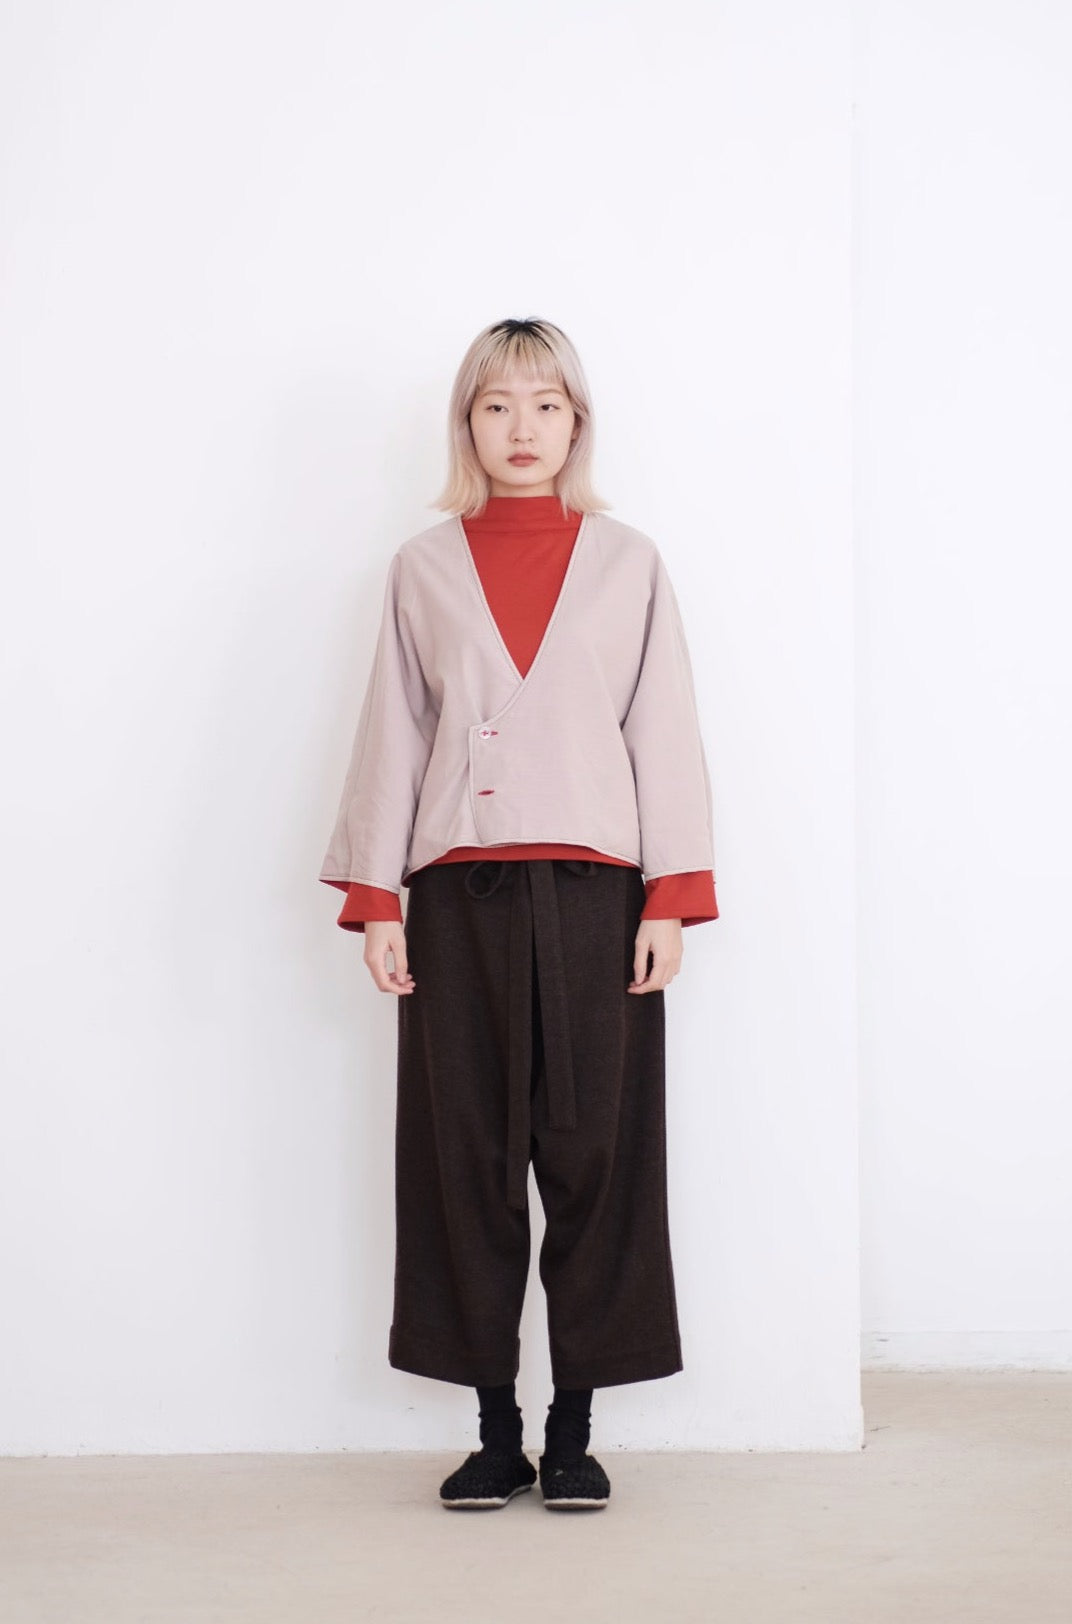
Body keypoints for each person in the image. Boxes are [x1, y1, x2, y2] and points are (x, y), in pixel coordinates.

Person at [319, 317, 719, 1511]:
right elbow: (394, 732)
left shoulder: (629, 563)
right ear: (467, 425)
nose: (522, 427)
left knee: (599, 1155)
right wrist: (378, 899)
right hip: (460, 896)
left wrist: (670, 898)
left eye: (545, 404)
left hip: (599, 898)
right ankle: (495, 1430)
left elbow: (664, 728)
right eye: (496, 405)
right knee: (466, 1157)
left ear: (577, 422)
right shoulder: (422, 567)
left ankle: (574, 1430)